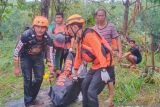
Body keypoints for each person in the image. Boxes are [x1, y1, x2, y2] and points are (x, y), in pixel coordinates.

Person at [65, 14, 115, 107]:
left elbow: (99, 51)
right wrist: (75, 71)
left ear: (75, 27)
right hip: (96, 65)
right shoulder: (80, 39)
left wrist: (104, 69)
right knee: (84, 86)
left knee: (91, 91)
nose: (67, 31)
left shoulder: (89, 34)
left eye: (68, 28)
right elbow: (78, 57)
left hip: (105, 64)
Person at [13, 16, 54, 107]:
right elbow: (16, 51)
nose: (40, 29)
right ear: (33, 27)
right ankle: (28, 103)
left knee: (39, 78)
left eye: (43, 27)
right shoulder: (26, 35)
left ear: (46, 28)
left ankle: (32, 98)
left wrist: (52, 69)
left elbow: (50, 53)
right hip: (25, 57)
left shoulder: (48, 37)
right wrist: (16, 67)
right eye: (38, 27)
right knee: (27, 79)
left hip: (39, 57)